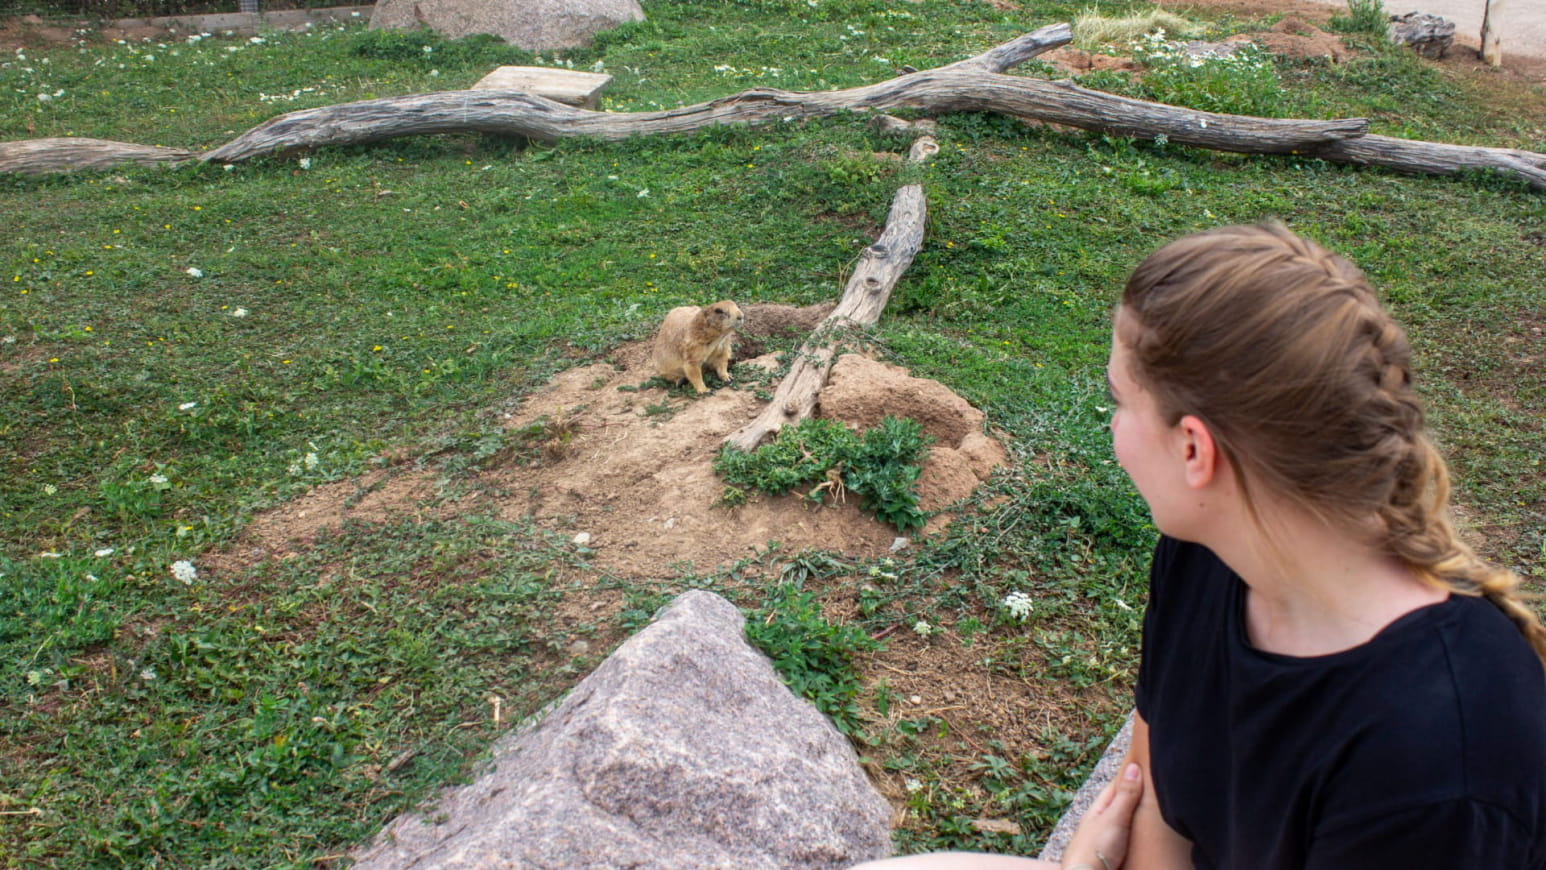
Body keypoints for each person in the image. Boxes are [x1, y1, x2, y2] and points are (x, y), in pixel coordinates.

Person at [852, 223, 1546, 870]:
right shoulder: (1211, 555)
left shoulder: (1438, 762)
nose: (1113, 429)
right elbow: (1153, 807)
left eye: (1120, 402)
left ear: (1194, 450)